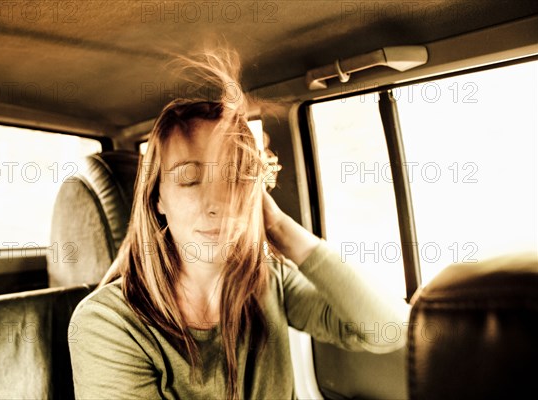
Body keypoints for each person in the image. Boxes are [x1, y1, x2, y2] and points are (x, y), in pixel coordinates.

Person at [68, 49, 409, 400]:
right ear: (157, 198)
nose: (215, 203)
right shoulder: (108, 323)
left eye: (233, 178)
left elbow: (391, 329)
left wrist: (277, 225)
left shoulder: (269, 280)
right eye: (189, 178)